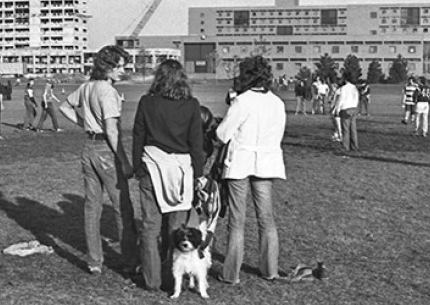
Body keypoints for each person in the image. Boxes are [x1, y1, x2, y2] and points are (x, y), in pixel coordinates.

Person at [59, 45, 138, 275]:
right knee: (122, 207)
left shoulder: (86, 87)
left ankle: (94, 261)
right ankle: (131, 260)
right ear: (108, 67)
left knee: (92, 208)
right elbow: (112, 131)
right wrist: (123, 160)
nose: (123, 70)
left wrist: (84, 123)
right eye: (119, 66)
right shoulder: (107, 91)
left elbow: (64, 106)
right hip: (106, 149)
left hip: (89, 147)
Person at [132, 59, 205, 292]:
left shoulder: (147, 102)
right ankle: (171, 274)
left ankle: (152, 279)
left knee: (150, 227)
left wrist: (136, 167)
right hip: (181, 171)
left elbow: (138, 137)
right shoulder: (192, 105)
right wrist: (199, 173)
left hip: (151, 167)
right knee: (176, 228)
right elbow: (196, 144)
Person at [215, 55, 286, 284]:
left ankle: (231, 273)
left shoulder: (242, 101)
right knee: (266, 218)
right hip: (266, 160)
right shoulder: (277, 102)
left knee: (237, 220)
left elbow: (222, 134)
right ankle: (270, 269)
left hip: (241, 162)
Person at [338, 71, 360, 153]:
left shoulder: (343, 88)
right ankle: (354, 146)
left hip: (345, 109)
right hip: (353, 108)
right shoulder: (354, 87)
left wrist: (338, 108)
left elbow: (342, 99)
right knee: (353, 129)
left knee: (345, 129)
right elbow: (357, 98)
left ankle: (345, 147)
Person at [329, 78, 343, 142]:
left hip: (337, 108)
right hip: (336, 108)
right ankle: (336, 134)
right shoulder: (337, 91)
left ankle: (340, 135)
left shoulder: (339, 91)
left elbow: (337, 100)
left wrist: (334, 108)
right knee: (335, 122)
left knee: (337, 122)